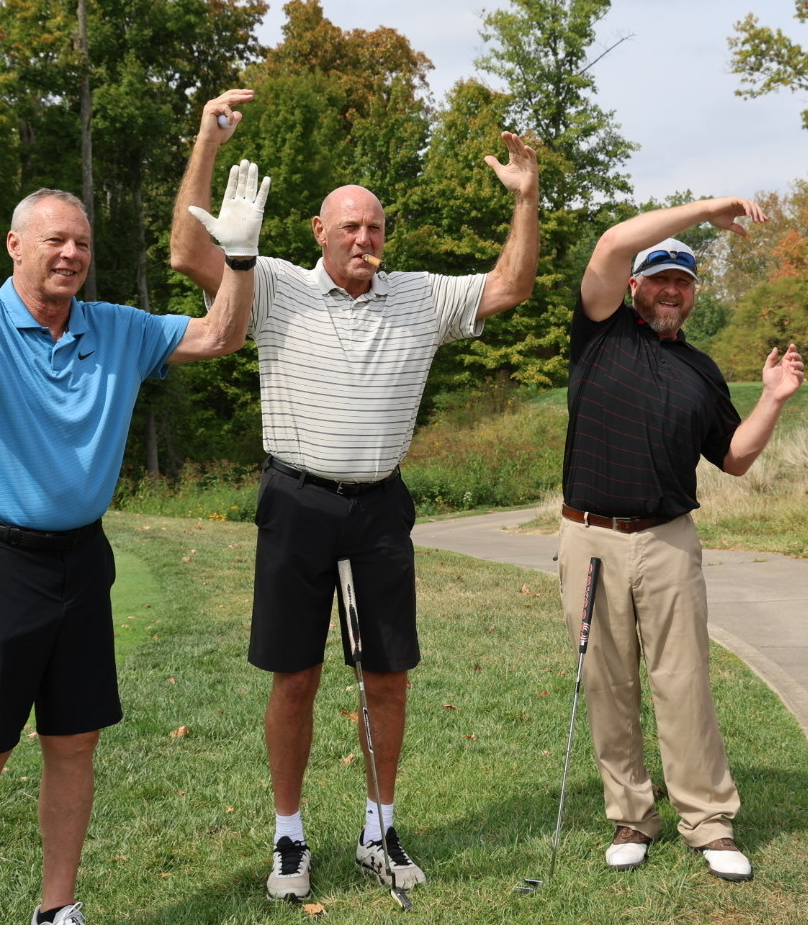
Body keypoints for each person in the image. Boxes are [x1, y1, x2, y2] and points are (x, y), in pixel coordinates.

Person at [0, 97, 269, 925]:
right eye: (55, 241)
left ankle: (57, 909)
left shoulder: (117, 328)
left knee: (73, 744)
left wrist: (239, 260)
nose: (71, 254)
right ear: (15, 245)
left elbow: (220, 337)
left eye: (83, 244)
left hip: (80, 561)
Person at [168, 88, 540, 902]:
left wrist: (526, 198)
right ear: (319, 233)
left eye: (374, 227)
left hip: (379, 507)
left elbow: (510, 286)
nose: (364, 239)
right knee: (294, 676)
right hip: (296, 499)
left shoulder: (420, 296)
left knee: (387, 675)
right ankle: (289, 837)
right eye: (350, 228)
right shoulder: (271, 284)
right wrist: (206, 142)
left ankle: (379, 830)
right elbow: (190, 252)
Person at [559, 199, 805, 882]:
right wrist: (708, 210)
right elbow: (613, 242)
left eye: (683, 281)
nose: (671, 290)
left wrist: (773, 398)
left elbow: (734, 458)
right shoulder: (600, 330)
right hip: (590, 537)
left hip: (668, 539)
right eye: (660, 277)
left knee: (684, 681)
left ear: (693, 294)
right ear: (635, 284)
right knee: (608, 681)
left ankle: (708, 821)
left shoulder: (700, 370)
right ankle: (632, 815)